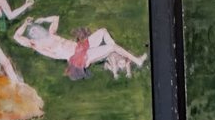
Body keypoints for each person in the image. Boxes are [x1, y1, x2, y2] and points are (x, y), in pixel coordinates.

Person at [14, 14, 146, 76]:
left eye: (36, 28)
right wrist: (25, 24)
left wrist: (43, 19)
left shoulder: (51, 33)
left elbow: (56, 18)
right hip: (78, 57)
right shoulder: (37, 45)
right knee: (111, 47)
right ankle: (136, 61)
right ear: (31, 37)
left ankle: (114, 58)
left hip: (81, 46)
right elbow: (17, 37)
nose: (36, 30)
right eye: (32, 31)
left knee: (103, 31)